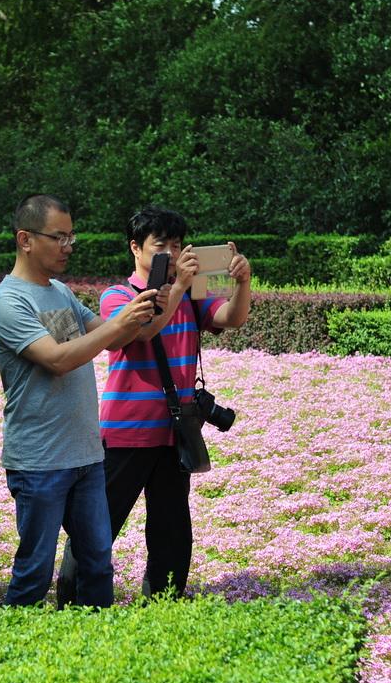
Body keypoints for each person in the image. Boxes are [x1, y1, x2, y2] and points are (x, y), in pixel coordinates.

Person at [58, 205, 252, 604]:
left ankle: (165, 602)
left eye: (177, 245)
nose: (171, 253)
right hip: (127, 430)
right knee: (98, 524)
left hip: (175, 431)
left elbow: (232, 317)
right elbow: (143, 331)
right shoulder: (118, 297)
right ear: (136, 248)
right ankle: (73, 601)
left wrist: (242, 283)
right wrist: (177, 289)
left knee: (171, 526)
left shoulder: (193, 294)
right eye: (161, 245)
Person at [0, 194, 158, 607]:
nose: (68, 246)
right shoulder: (9, 301)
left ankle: (91, 640)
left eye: (71, 237)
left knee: (97, 565)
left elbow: (113, 337)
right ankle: (11, 643)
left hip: (86, 455)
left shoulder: (59, 292)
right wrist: (120, 322)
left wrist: (148, 307)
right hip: (39, 461)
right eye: (58, 237)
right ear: (25, 239)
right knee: (34, 571)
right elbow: (58, 359)